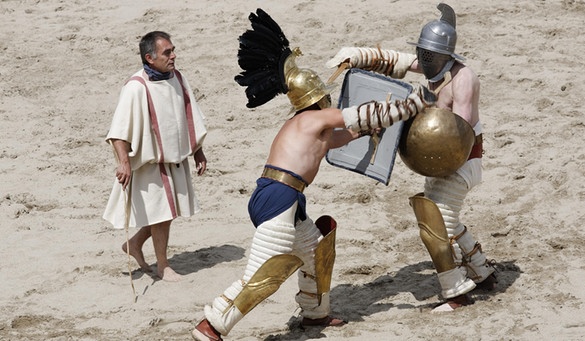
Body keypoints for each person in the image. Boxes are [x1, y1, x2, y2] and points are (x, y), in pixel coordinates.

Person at [192, 9, 435, 340]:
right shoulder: (312, 120)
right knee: (263, 274)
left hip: (285, 196)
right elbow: (358, 115)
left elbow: (347, 134)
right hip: (279, 196)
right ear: (319, 99)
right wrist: (411, 104)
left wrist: (374, 127)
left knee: (315, 250)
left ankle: (314, 314)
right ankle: (211, 326)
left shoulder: (306, 126)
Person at [325, 3, 496, 312]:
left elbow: (461, 132)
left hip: (461, 158)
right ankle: (482, 270)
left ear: (445, 55)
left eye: (430, 55)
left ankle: (456, 292)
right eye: (423, 53)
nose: (424, 61)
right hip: (440, 159)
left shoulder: (463, 77)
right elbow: (397, 62)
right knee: (447, 218)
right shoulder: (435, 67)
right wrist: (358, 55)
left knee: (436, 223)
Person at [103, 31, 208, 282]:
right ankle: (163, 267)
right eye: (167, 52)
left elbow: (190, 115)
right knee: (162, 214)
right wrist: (124, 165)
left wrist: (198, 151)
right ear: (149, 58)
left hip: (175, 159)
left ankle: (135, 244)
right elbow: (118, 131)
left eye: (173, 50)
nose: (173, 56)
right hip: (149, 163)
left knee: (166, 211)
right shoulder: (135, 88)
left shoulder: (178, 78)